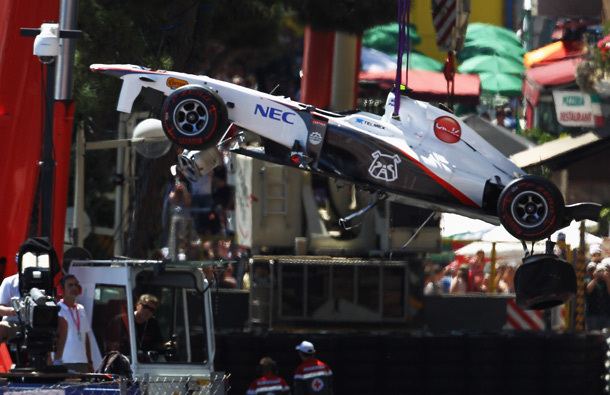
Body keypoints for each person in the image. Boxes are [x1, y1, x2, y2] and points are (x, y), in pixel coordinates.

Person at [0, 272, 67, 364]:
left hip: (41, 323)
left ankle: (57, 361)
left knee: (62, 322)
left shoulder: (45, 281)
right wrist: (15, 311)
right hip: (16, 323)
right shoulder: (9, 282)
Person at [106, 294, 167, 361]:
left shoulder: (152, 323)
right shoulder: (121, 320)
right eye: (145, 307)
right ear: (138, 305)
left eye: (151, 310)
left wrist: (167, 345)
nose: (148, 311)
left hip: (146, 361)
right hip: (124, 360)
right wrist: (112, 344)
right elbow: (106, 342)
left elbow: (158, 344)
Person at [57, 274, 93, 373]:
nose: (74, 288)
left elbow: (86, 337)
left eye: (76, 285)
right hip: (64, 362)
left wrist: (89, 361)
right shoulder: (57, 309)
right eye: (70, 285)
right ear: (62, 289)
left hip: (82, 362)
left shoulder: (81, 309)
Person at [585, 246, 610, 330]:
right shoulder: (589, 280)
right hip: (593, 315)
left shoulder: (606, 281)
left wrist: (606, 279)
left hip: (606, 315)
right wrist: (595, 278)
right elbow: (588, 290)